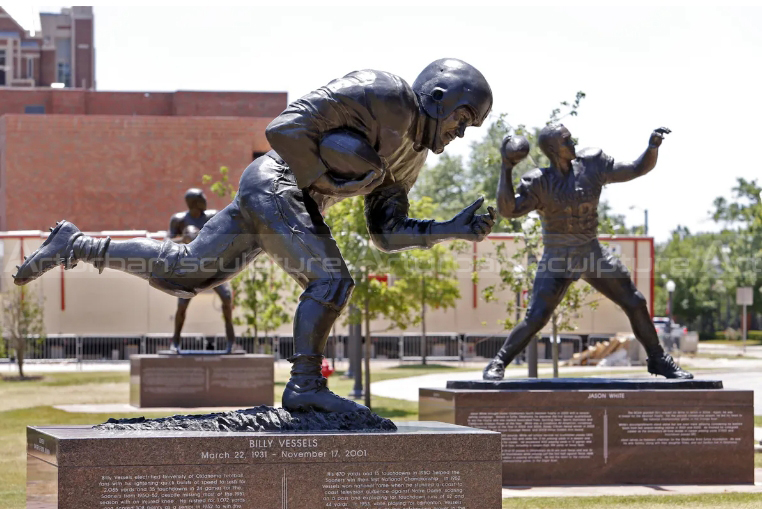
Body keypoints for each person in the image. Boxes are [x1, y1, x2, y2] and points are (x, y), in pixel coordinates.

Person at [14, 58, 497, 412]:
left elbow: (385, 234)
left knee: (187, 275)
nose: (462, 132)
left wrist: (450, 228)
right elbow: (285, 127)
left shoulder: (411, 160)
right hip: (278, 180)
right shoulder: (382, 91)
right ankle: (305, 384)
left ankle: (75, 244)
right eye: (463, 118)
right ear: (438, 98)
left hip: (291, 195)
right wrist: (335, 179)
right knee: (331, 282)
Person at [484, 124, 693, 380]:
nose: (573, 142)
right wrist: (506, 167)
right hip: (558, 257)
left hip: (591, 253)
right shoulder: (540, 181)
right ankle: (498, 363)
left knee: (635, 302)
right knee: (536, 318)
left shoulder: (591, 166)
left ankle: (659, 360)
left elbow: (637, 168)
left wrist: (652, 148)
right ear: (552, 149)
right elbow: (508, 210)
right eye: (566, 140)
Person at [167, 188, 235, 353]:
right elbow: (167, 241)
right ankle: (175, 341)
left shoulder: (212, 216)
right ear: (194, 202)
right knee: (182, 304)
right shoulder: (179, 220)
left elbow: (226, 230)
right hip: (190, 268)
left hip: (210, 266)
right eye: (202, 197)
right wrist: (183, 238)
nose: (205, 199)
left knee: (227, 298)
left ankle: (231, 340)